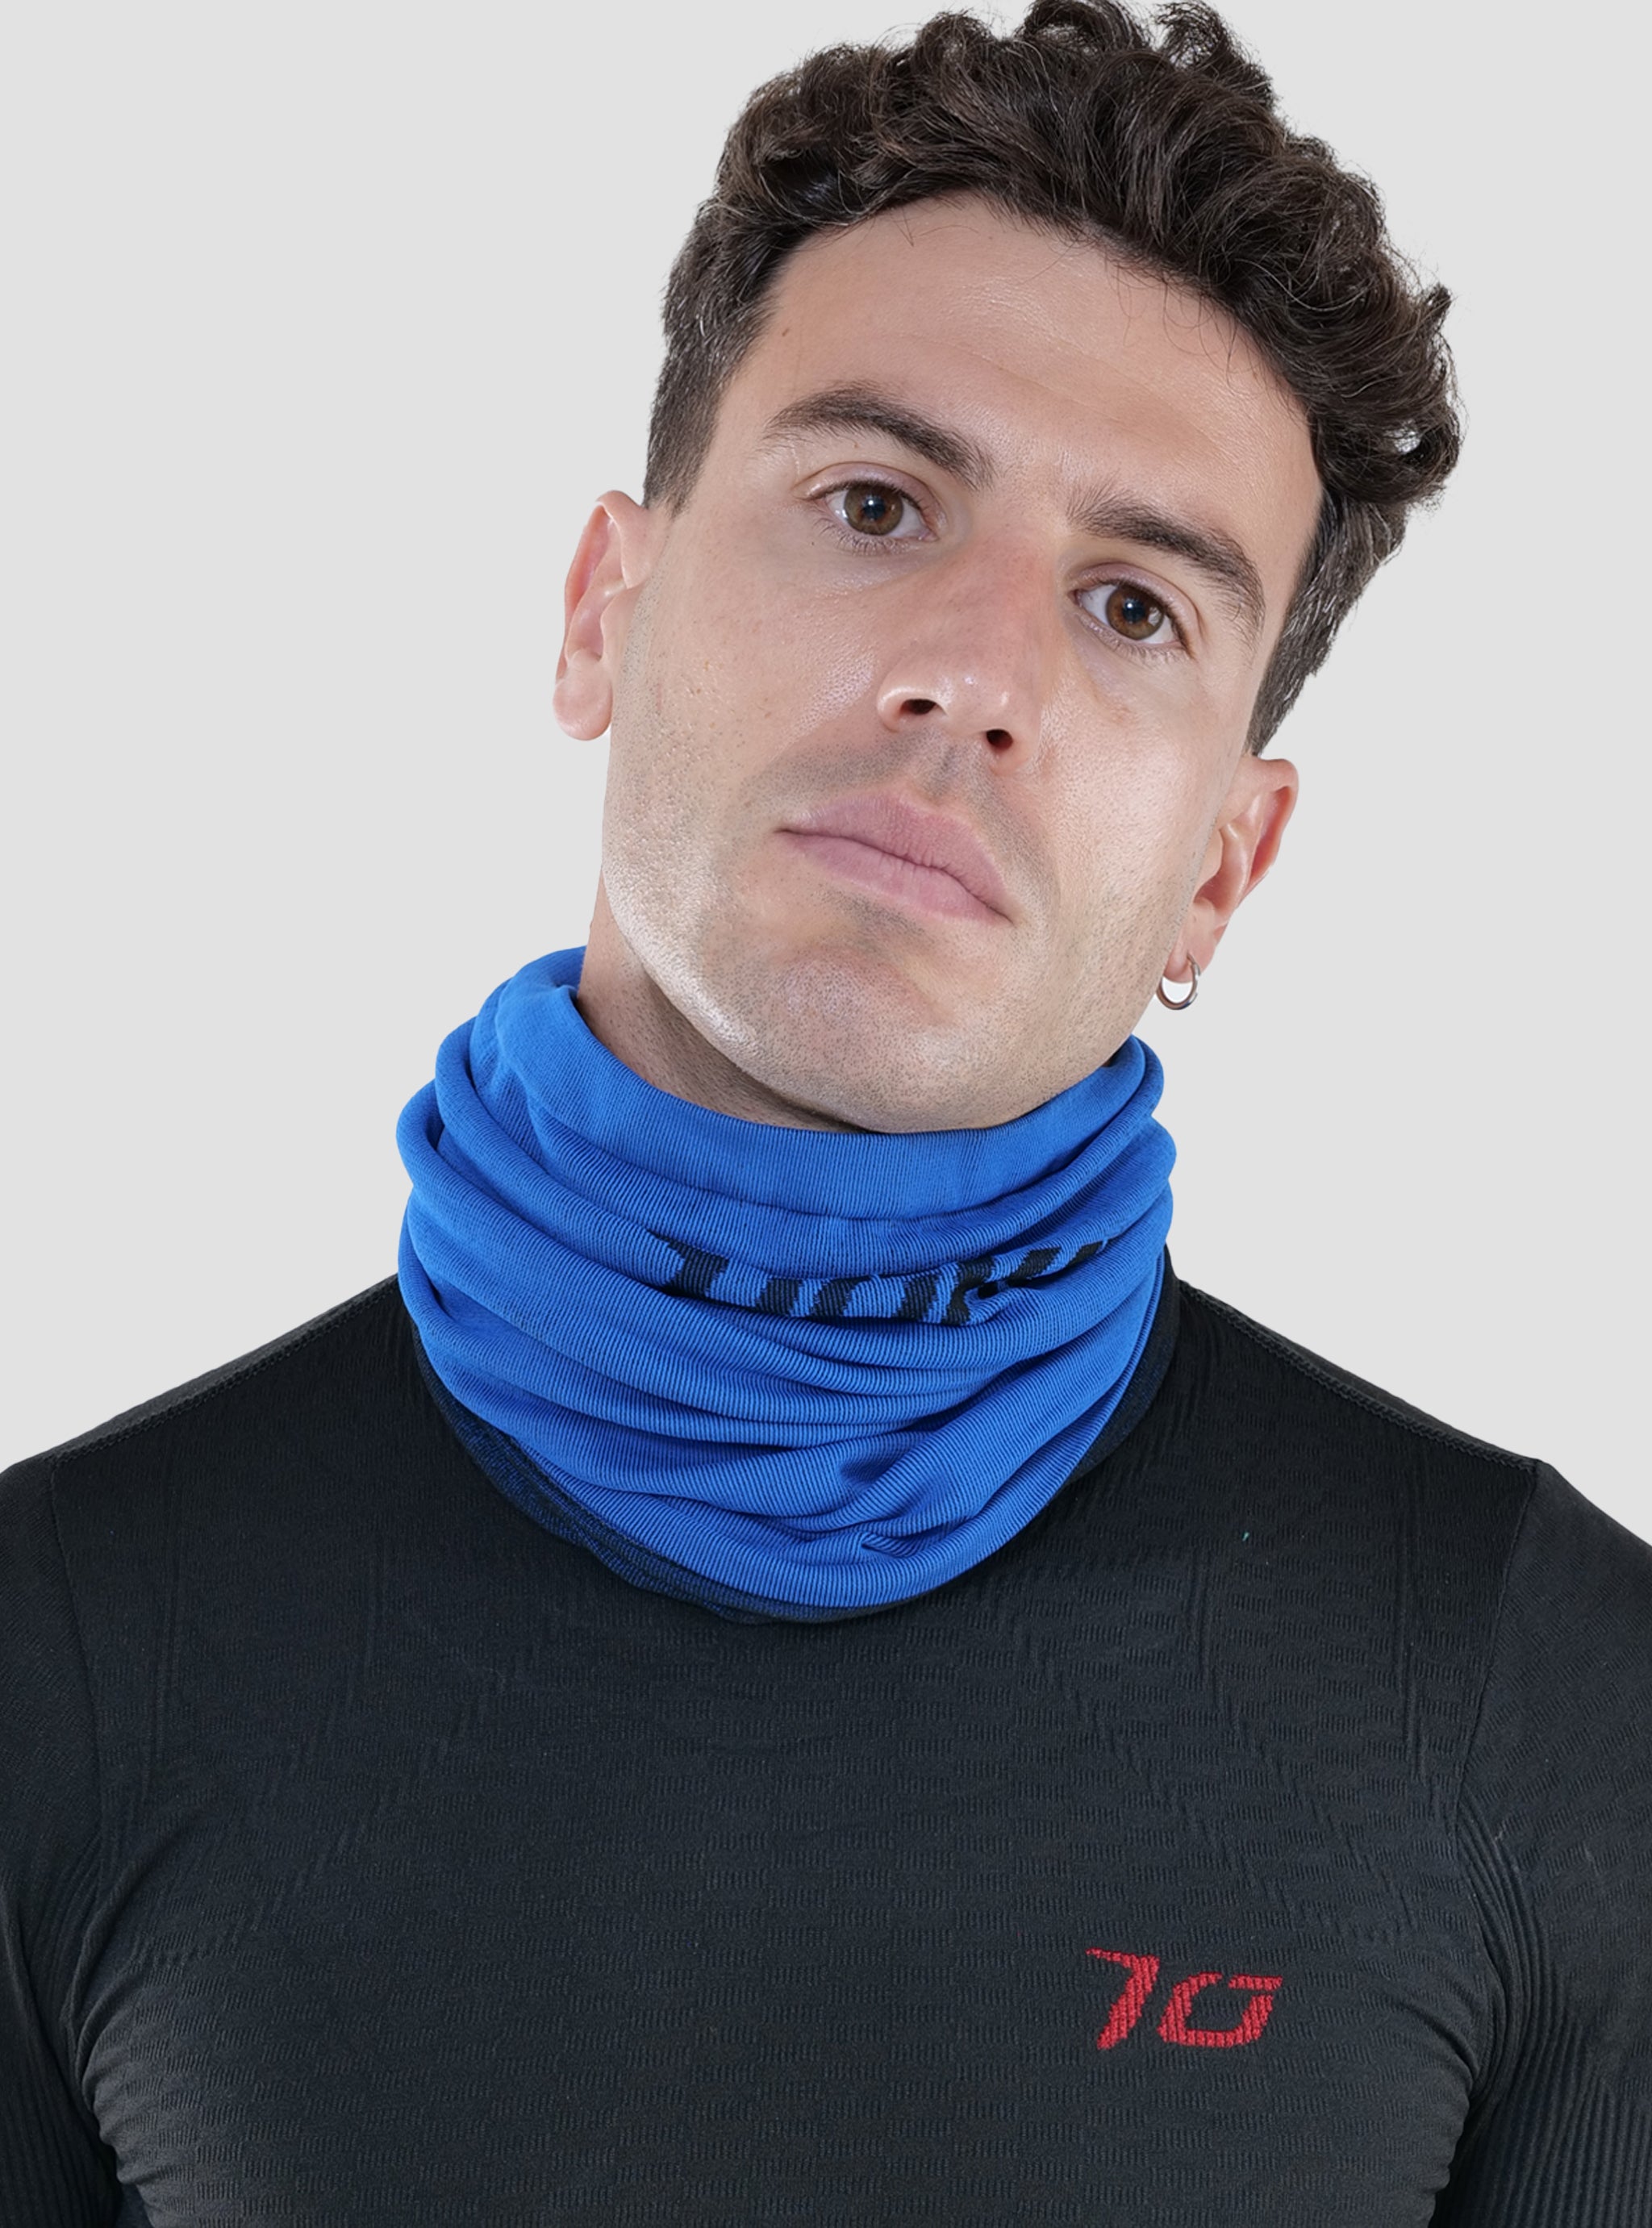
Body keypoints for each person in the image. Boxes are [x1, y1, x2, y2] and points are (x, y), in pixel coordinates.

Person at [2, 2, 1646, 2219]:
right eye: (876, 504)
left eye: (1134, 604)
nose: (977, 673)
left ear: (1225, 865)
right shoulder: (57, 1657)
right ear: (604, 611)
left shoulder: (1551, 1702)